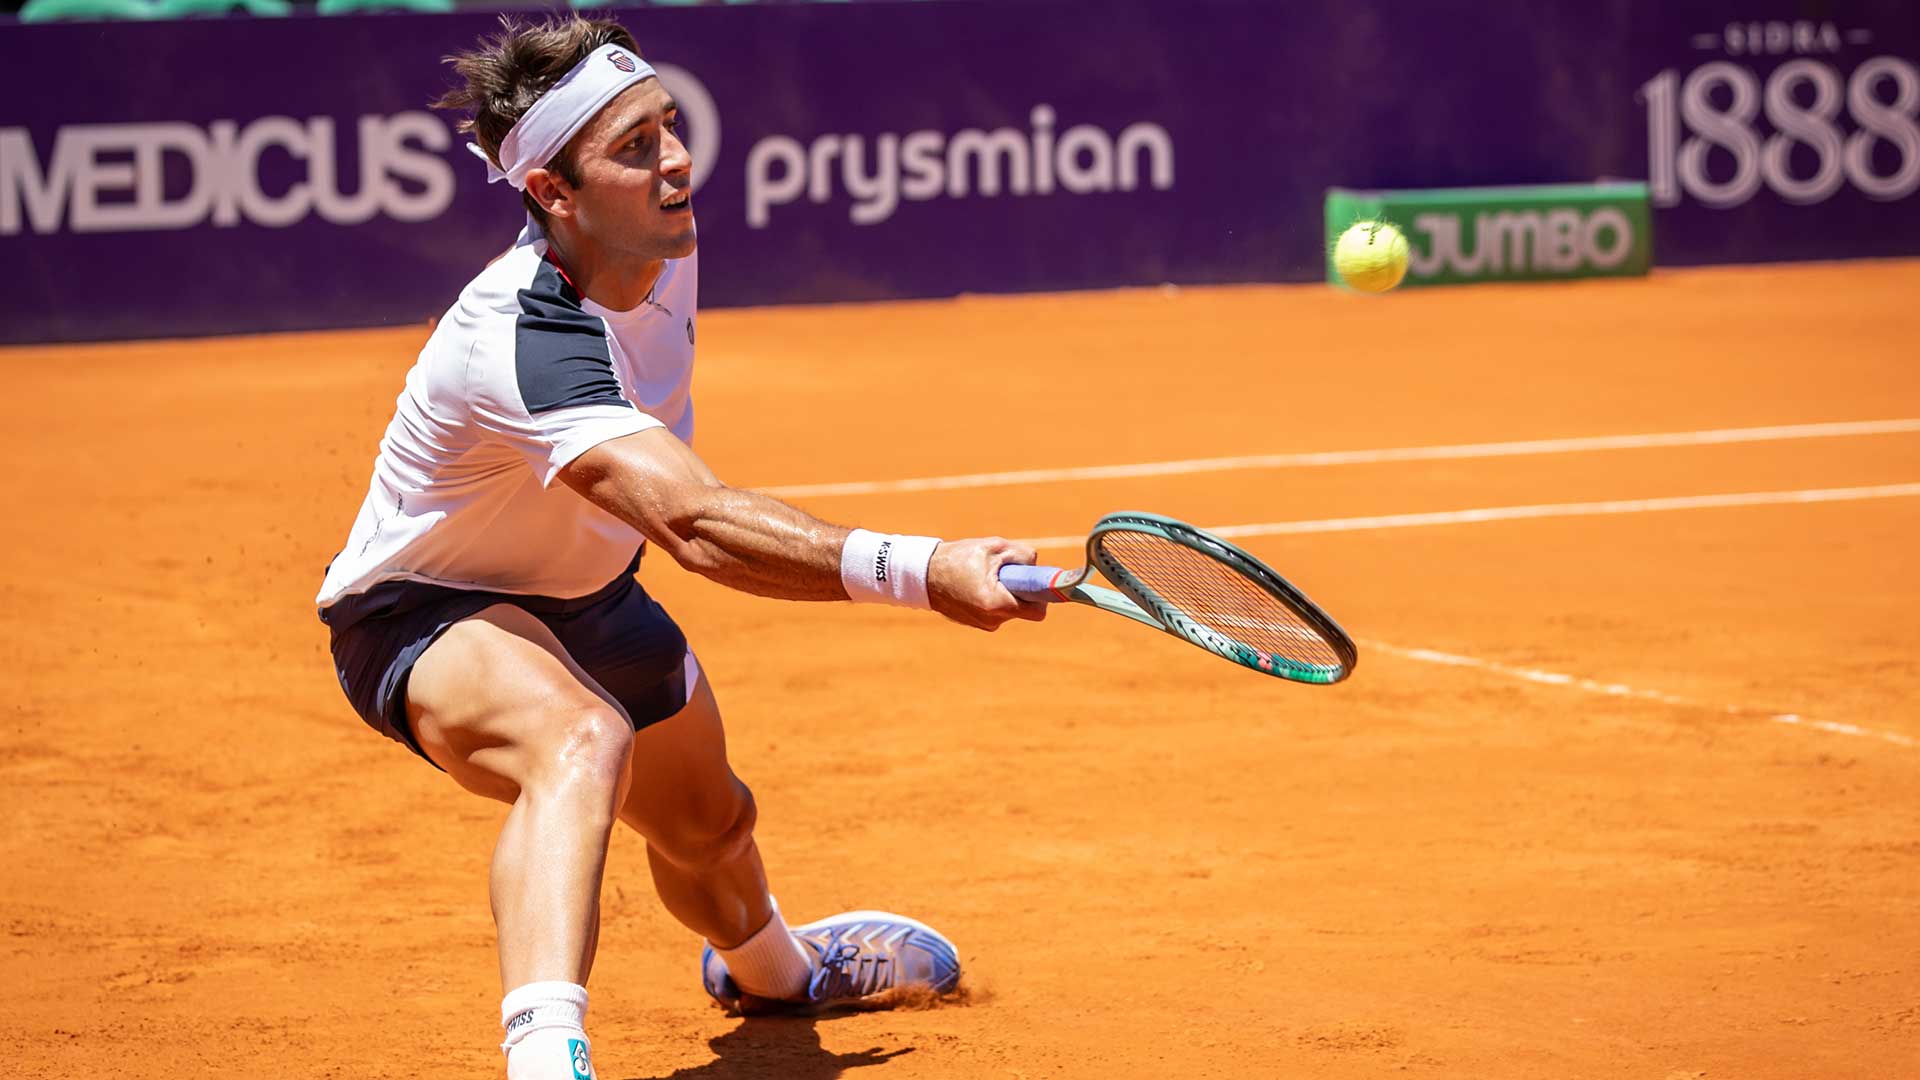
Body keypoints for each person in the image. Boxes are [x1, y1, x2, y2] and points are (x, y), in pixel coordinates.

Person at [314, 15, 1044, 1079]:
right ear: (553, 197)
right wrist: (925, 570)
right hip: (425, 610)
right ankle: (546, 1057)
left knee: (711, 826)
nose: (677, 160)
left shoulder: (661, 240)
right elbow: (695, 524)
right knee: (580, 740)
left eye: (669, 125)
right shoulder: (520, 336)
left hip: (588, 590)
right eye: (635, 147)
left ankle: (775, 971)